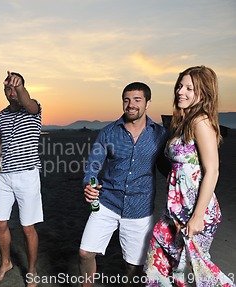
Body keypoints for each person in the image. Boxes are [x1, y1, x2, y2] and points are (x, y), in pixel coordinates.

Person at [144, 66, 234, 286]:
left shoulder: (200, 122)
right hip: (175, 210)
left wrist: (198, 216)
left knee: (196, 271)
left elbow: (212, 170)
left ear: (203, 93)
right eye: (179, 86)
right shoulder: (182, 123)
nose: (180, 92)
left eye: (189, 88)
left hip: (196, 211)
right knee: (159, 265)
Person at [79, 82, 169, 286]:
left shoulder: (160, 135)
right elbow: (93, 165)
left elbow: (166, 167)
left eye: (137, 100)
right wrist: (88, 184)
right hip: (107, 203)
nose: (131, 105)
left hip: (139, 208)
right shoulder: (108, 132)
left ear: (148, 103)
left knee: (133, 267)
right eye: (127, 100)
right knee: (85, 253)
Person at [0, 71, 42, 286]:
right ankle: (6, 262)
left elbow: (28, 102)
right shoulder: (0, 116)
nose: (11, 92)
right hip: (3, 177)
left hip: (27, 176)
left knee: (27, 227)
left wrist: (19, 86)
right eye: (8, 89)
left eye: (14, 88)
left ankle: (31, 270)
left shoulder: (33, 109)